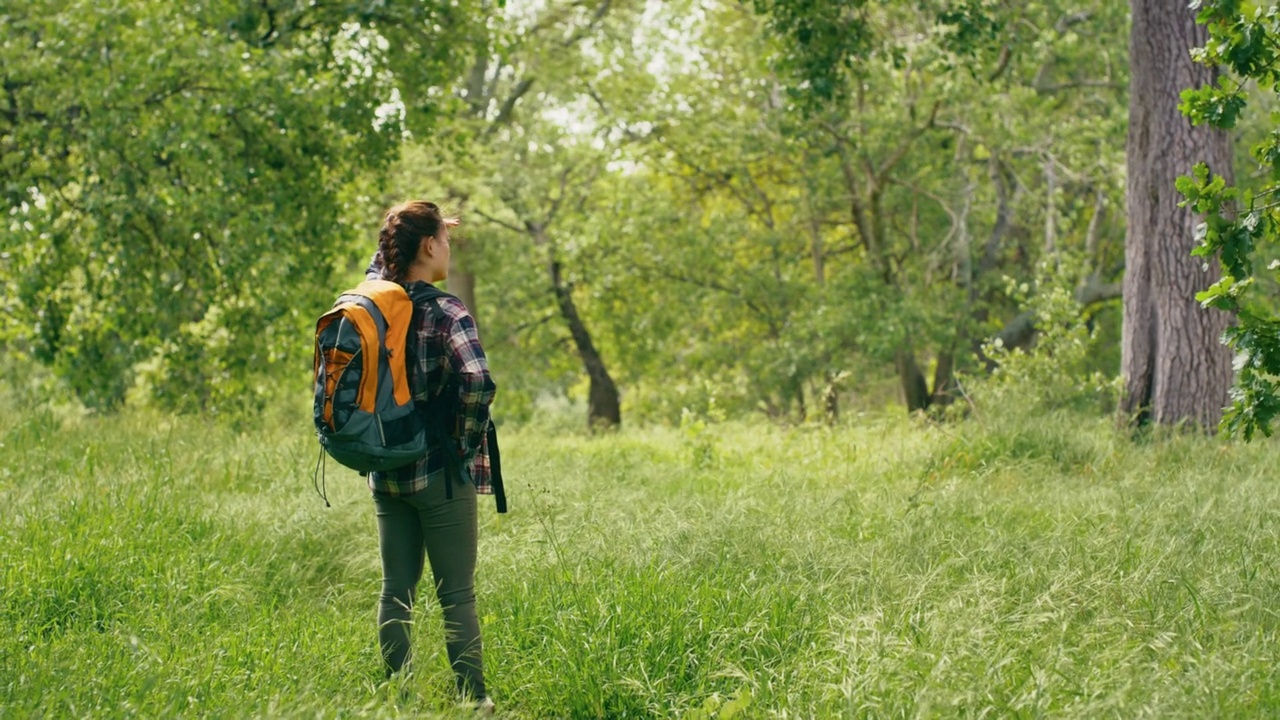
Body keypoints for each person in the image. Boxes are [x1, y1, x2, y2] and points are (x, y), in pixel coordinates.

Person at [366, 200, 496, 713]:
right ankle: (472, 701)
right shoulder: (447, 312)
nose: (449, 247)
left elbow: (380, 262)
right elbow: (478, 380)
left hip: (387, 471)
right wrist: (462, 440)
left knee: (395, 590)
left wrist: (413, 226)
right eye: (444, 239)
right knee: (456, 596)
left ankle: (396, 701)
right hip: (441, 474)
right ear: (428, 247)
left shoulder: (377, 305)